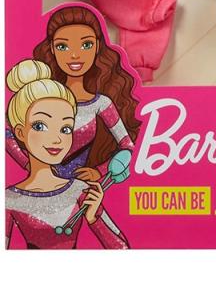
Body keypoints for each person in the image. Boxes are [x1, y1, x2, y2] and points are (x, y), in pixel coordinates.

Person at [6, 5, 139, 181]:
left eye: (86, 45)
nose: (75, 55)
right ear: (52, 48)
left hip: (80, 187)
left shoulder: (100, 104)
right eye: (62, 46)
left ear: (97, 47)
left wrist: (100, 171)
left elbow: (127, 145)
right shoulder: (40, 95)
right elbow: (7, 131)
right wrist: (28, 164)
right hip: (41, 184)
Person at [5, 59, 128, 249]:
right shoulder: (9, 199)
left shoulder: (82, 190)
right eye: (40, 126)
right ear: (20, 132)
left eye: (65, 129)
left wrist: (94, 218)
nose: (57, 139)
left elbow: (124, 250)